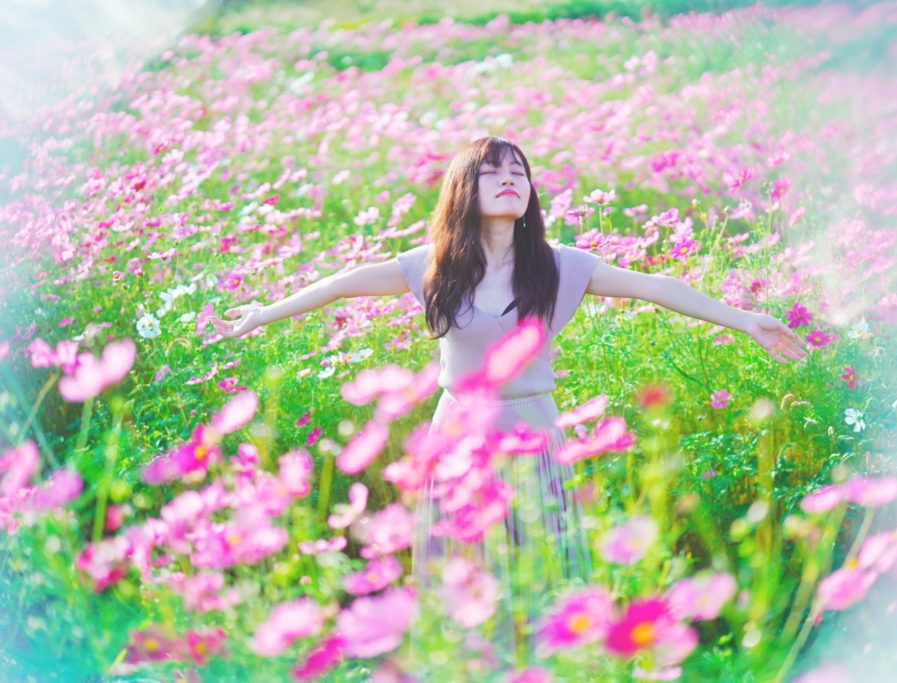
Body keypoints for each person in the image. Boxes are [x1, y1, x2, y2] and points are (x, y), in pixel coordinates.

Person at [207, 136, 808, 666]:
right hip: (458, 439)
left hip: (534, 431)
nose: (509, 180)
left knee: (545, 563)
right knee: (462, 569)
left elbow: (655, 288)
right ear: (464, 188)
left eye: (519, 171)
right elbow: (343, 284)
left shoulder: (561, 267)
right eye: (493, 171)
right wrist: (264, 312)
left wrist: (743, 319)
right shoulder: (433, 267)